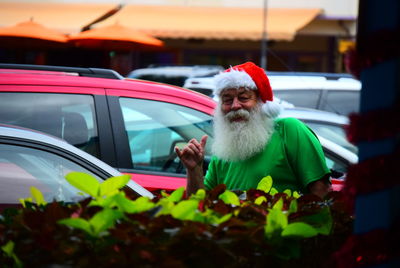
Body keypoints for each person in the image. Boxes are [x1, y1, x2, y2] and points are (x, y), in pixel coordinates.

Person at [175, 62, 331, 198]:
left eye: (243, 98)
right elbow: (200, 204)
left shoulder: (290, 130)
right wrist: (194, 170)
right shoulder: (223, 151)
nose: (235, 106)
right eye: (227, 100)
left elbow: (321, 190)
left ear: (261, 102)